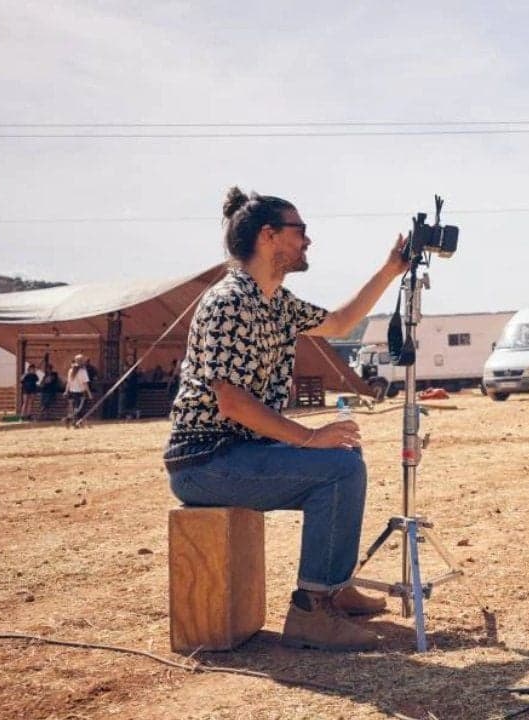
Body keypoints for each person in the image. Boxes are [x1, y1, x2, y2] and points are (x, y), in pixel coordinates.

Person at [164, 186, 410, 652]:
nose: (308, 241)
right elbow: (231, 402)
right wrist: (307, 437)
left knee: (344, 455)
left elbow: (338, 322)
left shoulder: (275, 301)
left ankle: (330, 586)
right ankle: (312, 611)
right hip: (204, 460)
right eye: (301, 231)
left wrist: (389, 271)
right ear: (270, 236)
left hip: (237, 451)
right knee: (338, 469)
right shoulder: (229, 302)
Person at [64, 354, 92, 426]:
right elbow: (85, 384)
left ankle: (76, 422)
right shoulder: (83, 371)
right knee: (80, 408)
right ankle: (70, 419)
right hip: (80, 392)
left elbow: (68, 382)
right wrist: (89, 394)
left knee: (75, 408)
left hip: (72, 392)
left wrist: (66, 391)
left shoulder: (70, 370)